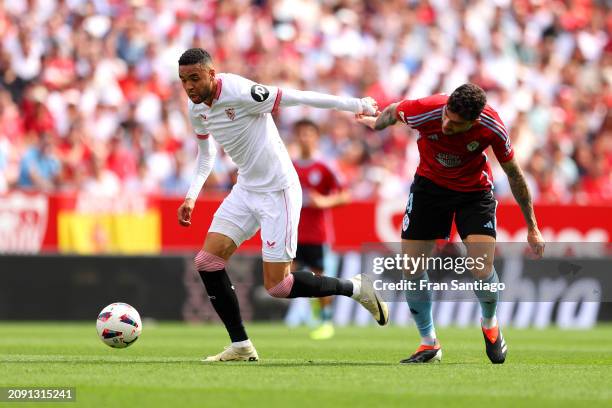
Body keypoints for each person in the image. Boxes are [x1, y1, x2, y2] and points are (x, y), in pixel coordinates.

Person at [176, 48, 388, 362]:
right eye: (183, 80)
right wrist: (192, 195)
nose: (189, 86)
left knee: (278, 285)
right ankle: (241, 345)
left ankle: (355, 288)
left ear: (211, 73)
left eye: (195, 78)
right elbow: (206, 156)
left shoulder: (239, 90)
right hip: (246, 188)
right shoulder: (197, 111)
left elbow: (297, 96)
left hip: (279, 191)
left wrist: (355, 104)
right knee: (207, 262)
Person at [357, 83, 545, 364]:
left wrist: (532, 225)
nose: (446, 124)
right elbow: (394, 111)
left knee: (482, 268)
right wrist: (378, 125)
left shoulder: (492, 126)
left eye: (456, 124)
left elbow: (515, 175)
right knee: (412, 267)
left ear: (473, 121)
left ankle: (490, 323)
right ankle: (428, 343)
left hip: (473, 193)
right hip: (430, 188)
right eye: (446, 115)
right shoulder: (426, 109)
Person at [291, 118, 350, 340]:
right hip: (293, 233)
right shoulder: (290, 167)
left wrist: (324, 202)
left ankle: (326, 319)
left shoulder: (325, 166)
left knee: (320, 277)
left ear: (316, 137)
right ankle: (315, 309)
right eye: (300, 133)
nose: (304, 137)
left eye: (308, 133)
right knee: (287, 277)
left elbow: (345, 195)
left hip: (317, 234)